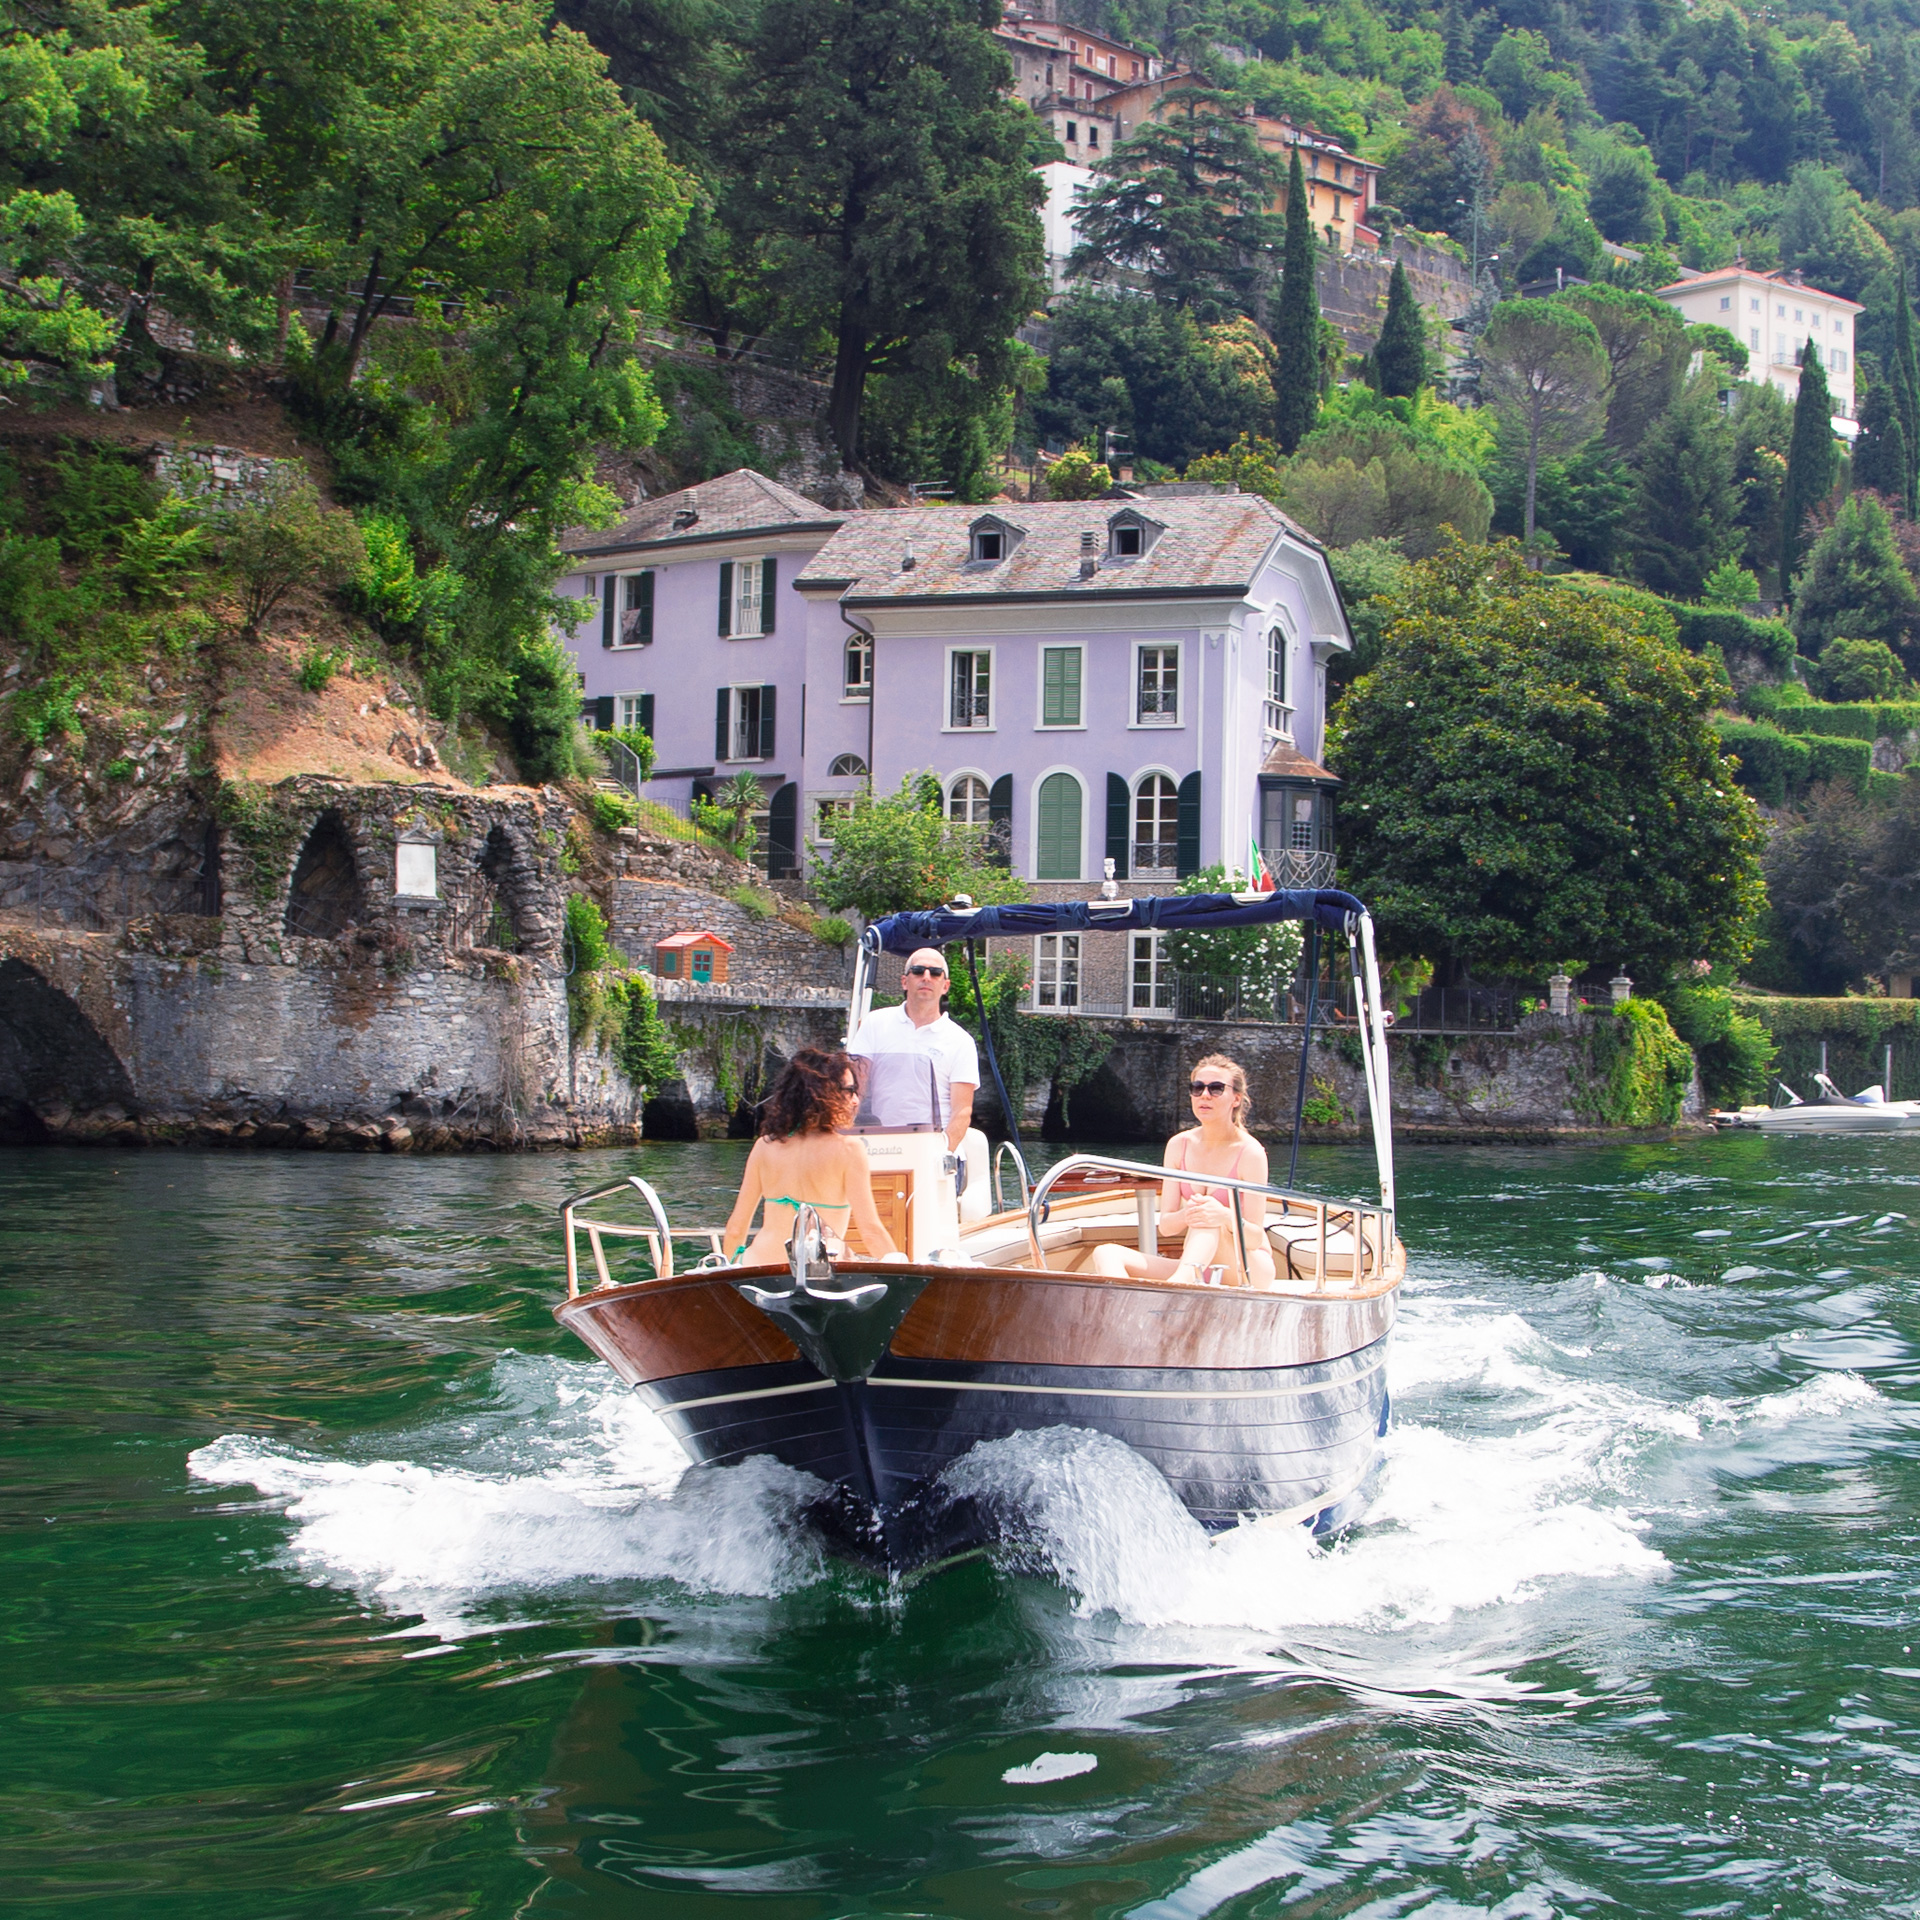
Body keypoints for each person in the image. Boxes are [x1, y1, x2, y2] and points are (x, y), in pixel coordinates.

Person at [1088, 1053, 1275, 1287]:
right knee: (1106, 1253)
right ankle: (1125, 1302)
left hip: (1248, 1266)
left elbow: (1255, 1238)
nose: (1204, 1095)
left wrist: (1224, 1215)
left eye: (1216, 1088)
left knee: (1209, 1215)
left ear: (1236, 1099)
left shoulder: (1250, 1153)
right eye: (1197, 1088)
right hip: (1197, 1263)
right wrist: (1187, 1215)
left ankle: (1176, 1287)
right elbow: (1166, 1226)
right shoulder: (1179, 1145)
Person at [721, 1047, 900, 1267]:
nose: (855, 1100)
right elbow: (871, 1232)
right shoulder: (849, 1150)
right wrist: (902, 1266)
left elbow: (736, 1228)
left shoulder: (764, 1146)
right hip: (819, 1272)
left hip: (758, 1266)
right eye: (849, 1090)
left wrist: (728, 1270)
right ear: (824, 1095)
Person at [847, 946, 980, 1151]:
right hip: (881, 1146)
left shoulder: (961, 1041)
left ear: (945, 986)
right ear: (904, 981)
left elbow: (961, 1112)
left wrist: (941, 1156)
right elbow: (856, 1088)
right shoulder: (874, 1023)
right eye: (918, 971)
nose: (926, 977)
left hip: (936, 1147)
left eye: (935, 973)